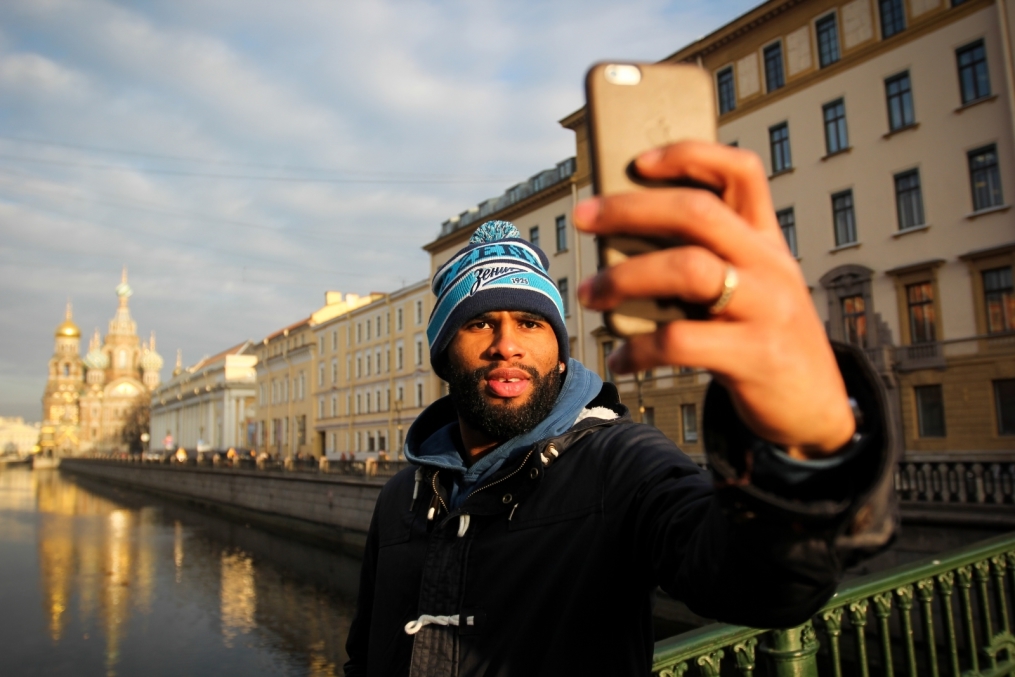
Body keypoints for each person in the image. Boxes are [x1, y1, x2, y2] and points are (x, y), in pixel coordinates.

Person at [344, 142, 893, 677]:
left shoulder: (620, 461)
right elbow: (362, 652)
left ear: (561, 355)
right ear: (445, 355)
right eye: (480, 323)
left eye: (531, 324)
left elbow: (757, 583)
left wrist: (807, 453)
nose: (506, 344)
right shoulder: (402, 496)